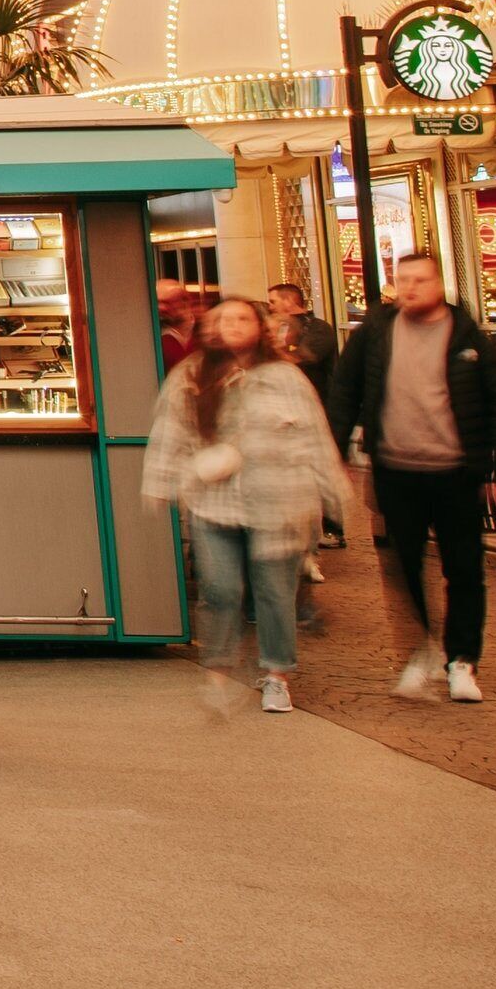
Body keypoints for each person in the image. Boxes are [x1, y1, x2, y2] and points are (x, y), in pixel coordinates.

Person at [325, 251, 496, 702]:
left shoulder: (469, 335)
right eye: (403, 280)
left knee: (464, 569)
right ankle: (421, 646)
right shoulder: (375, 332)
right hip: (396, 469)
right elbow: (344, 389)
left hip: (456, 471)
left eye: (420, 280)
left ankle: (462, 661)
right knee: (403, 565)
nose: (410, 288)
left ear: (440, 285)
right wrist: (334, 450)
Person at [144, 294, 349, 714]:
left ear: (261, 328)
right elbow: (170, 431)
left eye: (241, 318)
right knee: (219, 588)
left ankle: (277, 674)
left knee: (274, 591)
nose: (231, 326)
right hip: (213, 502)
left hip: (275, 503)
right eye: (222, 320)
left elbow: (313, 436)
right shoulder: (191, 375)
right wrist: (159, 481)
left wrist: (332, 491)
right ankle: (217, 671)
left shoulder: (286, 378)